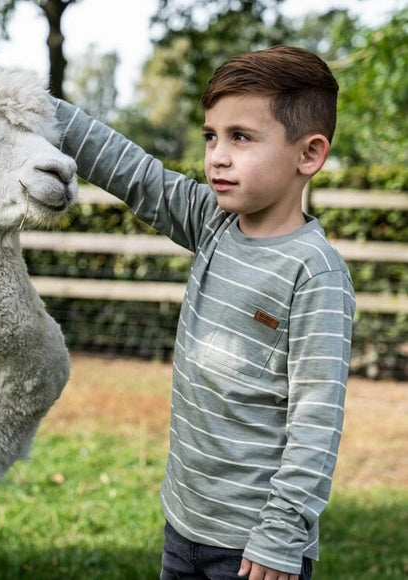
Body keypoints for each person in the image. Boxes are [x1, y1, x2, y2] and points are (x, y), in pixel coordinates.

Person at [52, 45, 355, 579]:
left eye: (241, 137)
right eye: (211, 136)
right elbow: (131, 170)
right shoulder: (211, 221)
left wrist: (280, 536)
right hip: (185, 525)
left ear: (308, 154)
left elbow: (316, 422)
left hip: (255, 549)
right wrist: (32, 103)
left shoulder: (316, 273)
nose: (217, 155)